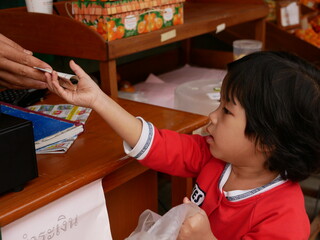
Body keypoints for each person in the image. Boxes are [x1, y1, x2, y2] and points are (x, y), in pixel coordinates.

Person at [46, 51, 320, 239]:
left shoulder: (286, 219)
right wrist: (99, 100)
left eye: (226, 111)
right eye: (219, 104)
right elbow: (158, 145)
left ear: (267, 140)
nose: (211, 117)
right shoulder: (213, 155)